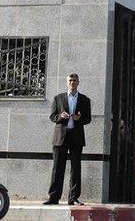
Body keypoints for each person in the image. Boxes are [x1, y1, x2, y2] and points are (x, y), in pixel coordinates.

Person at [43, 74, 91, 205]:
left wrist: (79, 118)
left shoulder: (85, 100)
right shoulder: (58, 98)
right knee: (57, 168)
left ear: (78, 82)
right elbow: (52, 116)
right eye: (70, 80)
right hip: (60, 138)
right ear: (67, 83)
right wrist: (61, 116)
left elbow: (88, 119)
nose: (72, 82)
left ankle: (74, 198)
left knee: (76, 168)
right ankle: (53, 197)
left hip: (76, 138)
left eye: (74, 80)